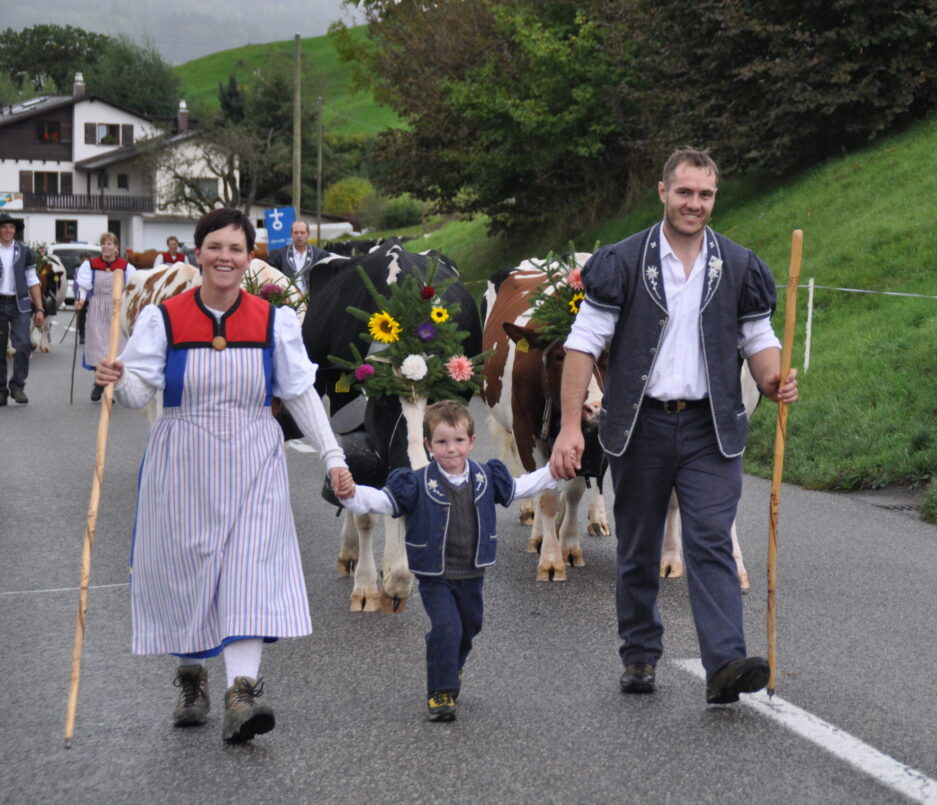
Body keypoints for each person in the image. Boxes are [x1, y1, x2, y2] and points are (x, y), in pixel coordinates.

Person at [95, 208, 356, 743]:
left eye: (236, 249)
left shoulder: (272, 320)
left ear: (249, 257)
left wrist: (333, 456)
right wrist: (116, 380)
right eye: (215, 246)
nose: (225, 257)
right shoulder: (163, 319)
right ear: (198, 253)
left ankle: (242, 691)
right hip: (182, 456)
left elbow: (300, 394)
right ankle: (192, 678)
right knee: (189, 569)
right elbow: (139, 394)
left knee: (249, 570)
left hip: (254, 456)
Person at [550, 147, 798, 705]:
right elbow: (583, 344)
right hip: (640, 427)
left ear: (715, 197)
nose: (695, 204)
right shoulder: (622, 261)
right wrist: (570, 426)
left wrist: (773, 380)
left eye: (705, 194)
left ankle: (725, 664)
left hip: (711, 429)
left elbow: (758, 341)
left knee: (709, 539)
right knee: (637, 546)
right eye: (684, 192)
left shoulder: (737, 265)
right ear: (663, 192)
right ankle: (639, 652)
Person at [335, 399, 559, 722]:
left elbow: (521, 487)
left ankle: (452, 664)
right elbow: (383, 501)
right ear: (428, 445)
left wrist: (552, 471)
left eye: (458, 441)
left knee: (470, 626)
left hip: (472, 572)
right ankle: (440, 691)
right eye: (441, 442)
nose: (450, 449)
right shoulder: (415, 482)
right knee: (447, 626)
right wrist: (351, 494)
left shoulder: (485, 477)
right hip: (434, 574)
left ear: (472, 442)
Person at [75, 232, 136, 402]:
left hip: (118, 309)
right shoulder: (91, 265)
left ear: (116, 247)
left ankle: (111, 386)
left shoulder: (125, 267)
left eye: (110, 244)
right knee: (98, 347)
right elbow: (84, 286)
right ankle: (99, 383)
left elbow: (132, 290)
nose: (106, 247)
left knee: (116, 349)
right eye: (103, 244)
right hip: (97, 307)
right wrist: (80, 300)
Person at [0, 212, 46, 405]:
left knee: (24, 344)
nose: (8, 230)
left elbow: (32, 280)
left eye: (11, 227)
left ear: (15, 230)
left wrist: (40, 309)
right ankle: (1, 390)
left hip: (20, 304)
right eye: (4, 226)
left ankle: (17, 386)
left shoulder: (25, 251)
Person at [265, 219, 330, 295]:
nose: (299, 236)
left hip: (313, 301)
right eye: (296, 233)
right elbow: (270, 278)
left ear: (308, 234)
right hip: (287, 301)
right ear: (291, 234)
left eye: (302, 232)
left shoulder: (320, 255)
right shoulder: (278, 255)